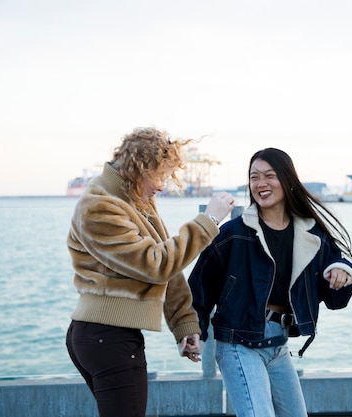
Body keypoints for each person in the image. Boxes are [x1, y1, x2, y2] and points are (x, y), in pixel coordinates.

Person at [65, 127, 236, 417]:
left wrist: (184, 325)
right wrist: (209, 220)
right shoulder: (99, 206)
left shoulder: (136, 201)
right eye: (161, 175)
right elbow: (155, 264)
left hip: (113, 337)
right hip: (105, 337)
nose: (163, 185)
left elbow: (169, 268)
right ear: (140, 167)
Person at [188, 147, 352, 417]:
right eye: (254, 177)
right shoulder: (233, 234)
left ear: (287, 179)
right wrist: (192, 331)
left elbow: (336, 297)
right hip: (238, 344)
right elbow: (198, 287)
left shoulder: (310, 233)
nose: (260, 183)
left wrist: (342, 272)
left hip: (279, 346)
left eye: (269, 175)